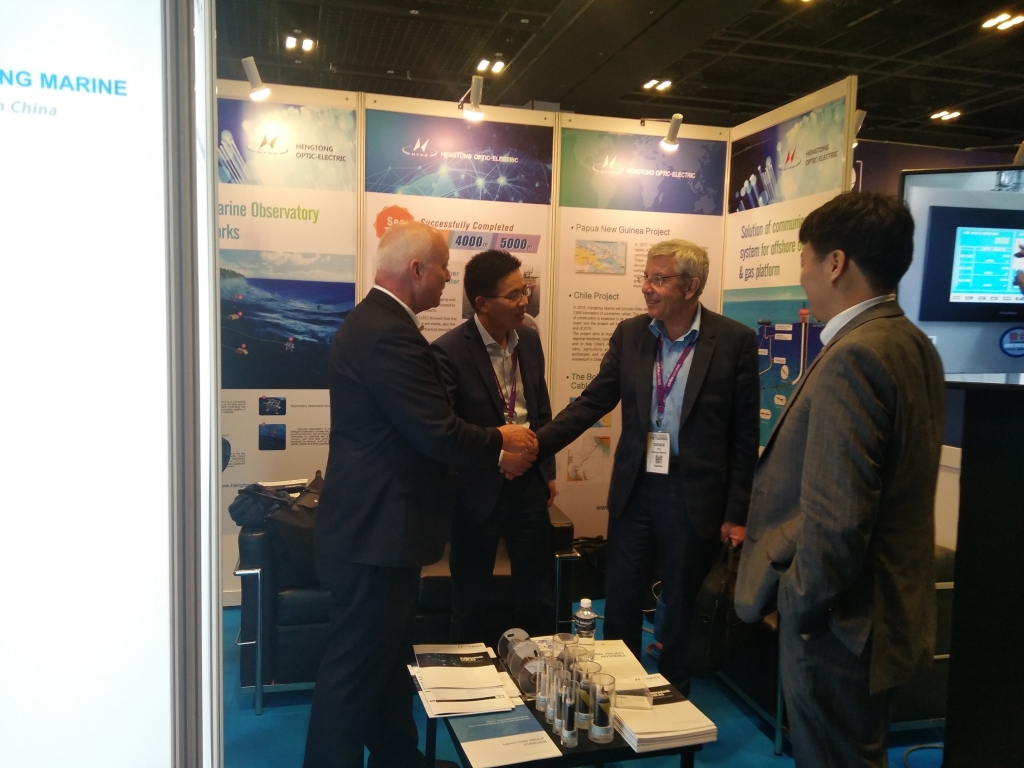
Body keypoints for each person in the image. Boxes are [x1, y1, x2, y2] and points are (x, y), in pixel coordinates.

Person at [303, 221, 538, 768]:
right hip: (375, 535)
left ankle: (397, 758)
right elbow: (435, 431)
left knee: (385, 660)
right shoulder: (388, 333)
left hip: (380, 532)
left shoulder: (376, 323)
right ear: (416, 269)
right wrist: (500, 441)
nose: (448, 279)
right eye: (444, 269)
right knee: (352, 672)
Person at [734, 192, 945, 768]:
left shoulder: (856, 355)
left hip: (842, 629)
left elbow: (838, 518)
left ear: (835, 263)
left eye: (804, 259)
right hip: (884, 619)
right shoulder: (911, 343)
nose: (802, 275)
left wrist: (800, 610)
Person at [536, 239, 759, 693]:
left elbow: (744, 435)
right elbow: (592, 402)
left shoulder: (734, 341)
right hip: (636, 486)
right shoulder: (632, 334)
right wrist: (537, 446)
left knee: (681, 599)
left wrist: (737, 512)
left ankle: (673, 697)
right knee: (621, 596)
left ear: (691, 286)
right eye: (646, 277)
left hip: (693, 492)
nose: (646, 288)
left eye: (659, 279)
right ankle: (616, 692)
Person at [432, 250, 556, 643]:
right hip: (477, 489)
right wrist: (500, 457)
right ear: (482, 303)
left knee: (536, 593)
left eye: (526, 290)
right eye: (514, 294)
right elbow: (449, 429)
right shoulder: (449, 350)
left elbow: (541, 410)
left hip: (529, 484)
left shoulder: (529, 341)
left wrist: (546, 471)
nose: (525, 301)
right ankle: (470, 669)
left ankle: (536, 666)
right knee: (471, 597)